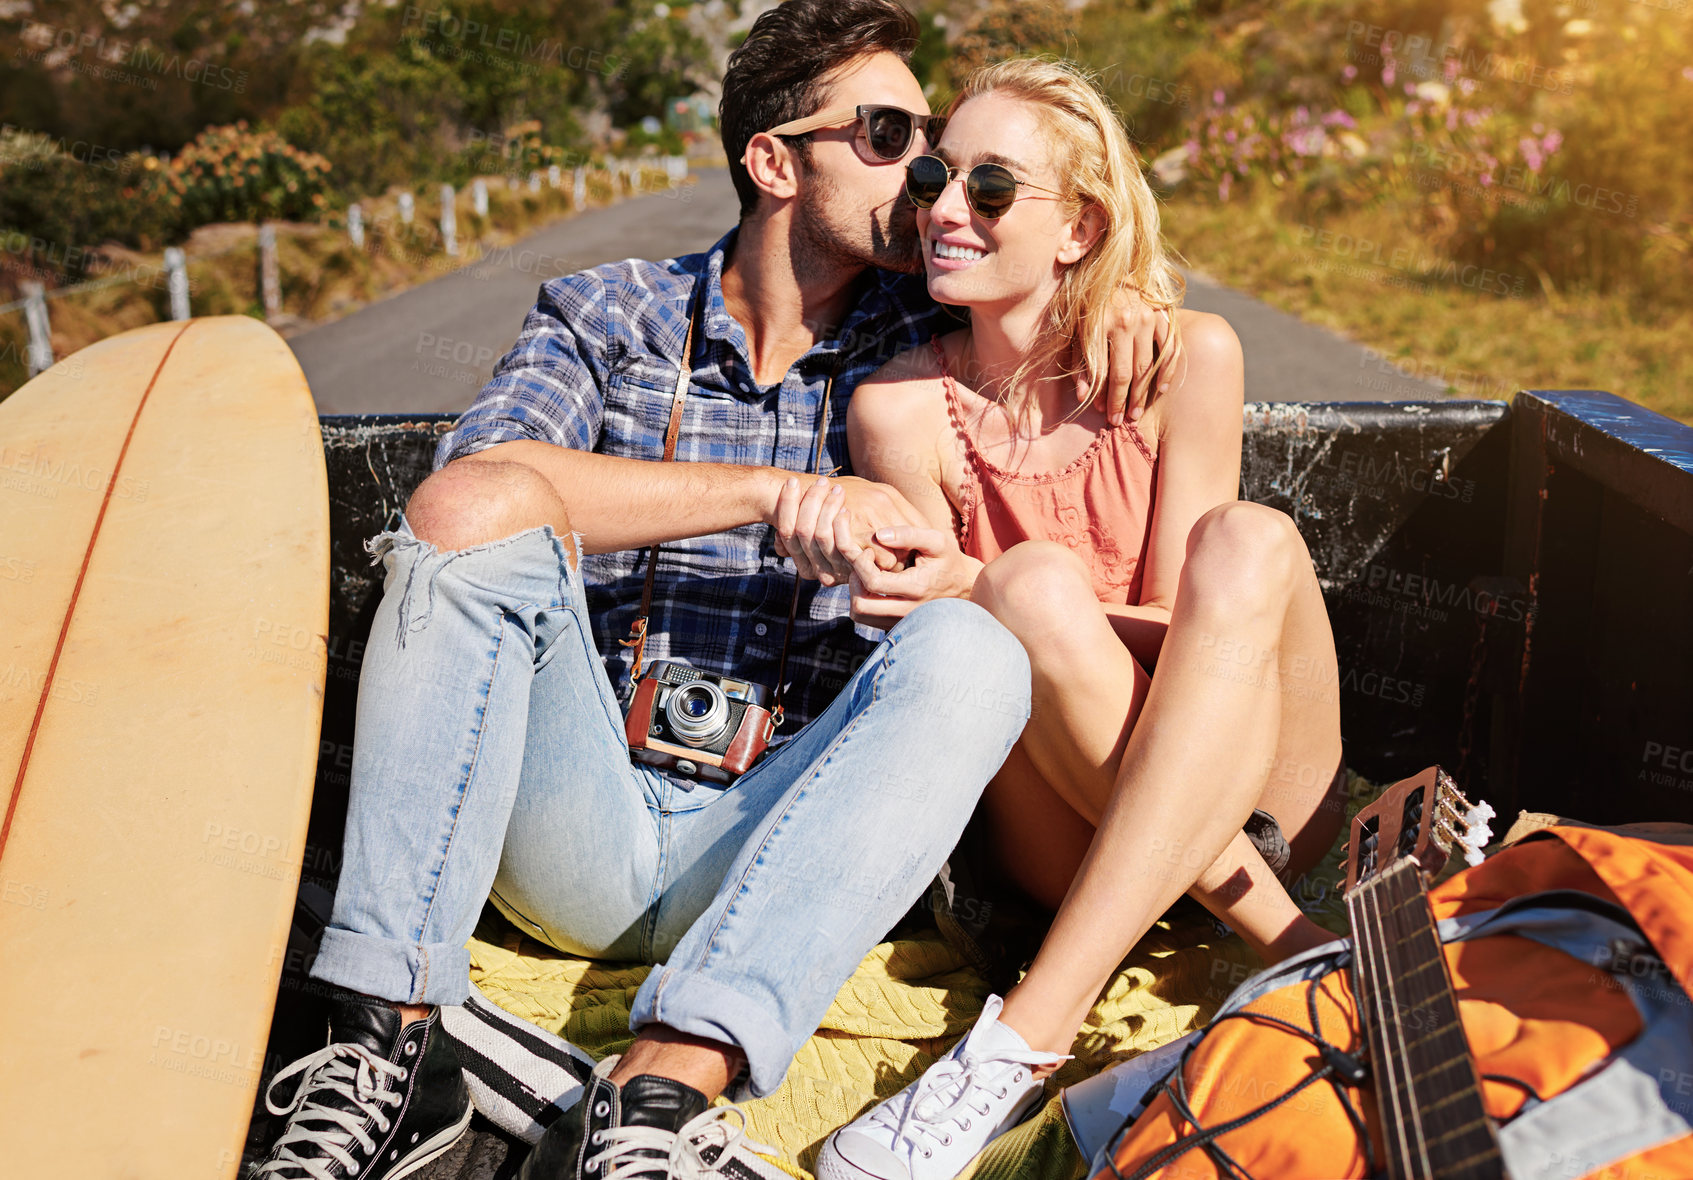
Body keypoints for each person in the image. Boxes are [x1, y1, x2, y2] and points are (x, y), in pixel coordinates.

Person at [255, 6, 1170, 1179]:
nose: (930, 179)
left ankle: (655, 1099)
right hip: (574, 813)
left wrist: (1119, 296)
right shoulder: (605, 313)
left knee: (973, 647)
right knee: (465, 521)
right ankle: (388, 1046)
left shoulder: (930, 334)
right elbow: (474, 490)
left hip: (790, 836)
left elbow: (1061, 268)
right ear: (774, 161)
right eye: (889, 135)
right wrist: (762, 493)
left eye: (933, 143)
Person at [786, 58, 1349, 1180]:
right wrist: (997, 597)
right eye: (938, 176)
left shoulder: (1188, 358)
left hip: (1257, 787)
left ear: (1078, 227)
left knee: (1248, 541)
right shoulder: (899, 407)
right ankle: (1291, 946)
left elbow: (1200, 631)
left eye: (990, 189)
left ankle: (1021, 1036)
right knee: (1029, 586)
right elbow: (975, 670)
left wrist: (988, 589)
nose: (942, 207)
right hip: (1059, 822)